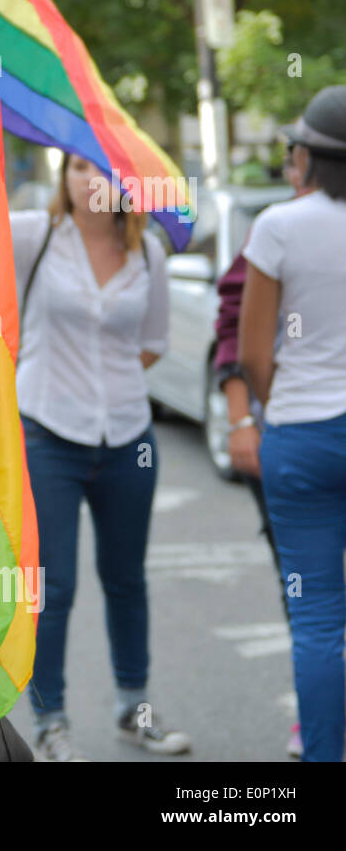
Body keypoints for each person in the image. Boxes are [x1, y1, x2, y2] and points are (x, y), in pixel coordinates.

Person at [10, 152, 188, 761]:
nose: (94, 181)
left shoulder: (150, 253)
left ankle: (135, 710)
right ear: (63, 176)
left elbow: (153, 345)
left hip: (128, 441)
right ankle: (51, 723)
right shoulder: (32, 235)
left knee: (126, 580)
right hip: (45, 434)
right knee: (53, 586)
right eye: (82, 166)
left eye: (109, 169)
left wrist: (101, 384)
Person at [240, 85, 346, 763]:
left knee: (317, 620)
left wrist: (286, 405)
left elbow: (252, 353)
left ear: (306, 156)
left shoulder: (278, 225)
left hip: (302, 437)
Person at [213, 136, 312, 758]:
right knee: (304, 585)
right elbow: (233, 327)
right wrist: (243, 421)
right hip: (290, 436)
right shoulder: (273, 232)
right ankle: (317, 717)